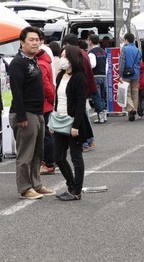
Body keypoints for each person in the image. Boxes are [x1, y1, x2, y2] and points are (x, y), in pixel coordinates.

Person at [9, 26, 55, 199]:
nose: (36, 43)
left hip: (38, 112)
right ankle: (24, 188)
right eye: (31, 40)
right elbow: (16, 91)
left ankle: (36, 184)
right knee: (25, 154)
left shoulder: (33, 59)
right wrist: (21, 116)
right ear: (22, 43)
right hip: (25, 113)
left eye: (38, 40)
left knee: (38, 152)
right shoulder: (18, 63)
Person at [52, 46, 94, 201]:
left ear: (73, 59)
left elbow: (80, 103)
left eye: (65, 56)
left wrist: (75, 125)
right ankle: (71, 185)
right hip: (59, 120)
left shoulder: (79, 77)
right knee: (58, 157)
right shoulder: (60, 75)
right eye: (61, 56)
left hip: (73, 122)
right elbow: (57, 99)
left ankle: (76, 191)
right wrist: (53, 120)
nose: (62, 59)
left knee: (76, 157)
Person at [36, 31, 57, 176]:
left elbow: (45, 85)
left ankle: (49, 163)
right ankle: (50, 161)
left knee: (45, 136)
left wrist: (51, 99)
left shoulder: (41, 64)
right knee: (47, 134)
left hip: (44, 104)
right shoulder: (46, 61)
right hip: (46, 103)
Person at [118, 33, 142, 122]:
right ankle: (134, 109)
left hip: (126, 73)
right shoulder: (138, 50)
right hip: (136, 73)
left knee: (126, 92)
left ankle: (131, 109)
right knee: (135, 92)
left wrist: (120, 74)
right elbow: (140, 61)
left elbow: (121, 63)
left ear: (126, 40)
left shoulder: (124, 49)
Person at [87, 34, 107, 124]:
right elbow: (107, 65)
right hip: (104, 75)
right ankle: (104, 114)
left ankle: (100, 116)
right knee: (103, 96)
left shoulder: (91, 52)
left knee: (96, 96)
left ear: (90, 41)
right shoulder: (103, 51)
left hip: (95, 76)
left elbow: (92, 64)